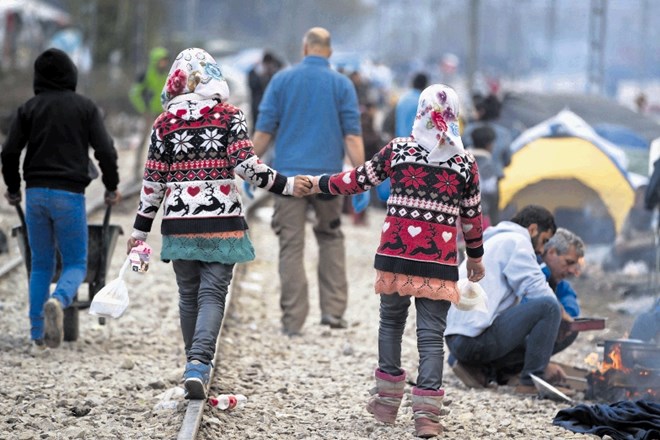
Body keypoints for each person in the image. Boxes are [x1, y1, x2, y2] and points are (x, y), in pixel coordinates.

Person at [126, 48, 310, 400]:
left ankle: (192, 363)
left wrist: (138, 231)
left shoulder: (165, 123)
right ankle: (198, 363)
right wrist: (286, 185)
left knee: (188, 294)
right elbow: (246, 166)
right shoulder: (229, 116)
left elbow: (153, 184)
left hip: (179, 223)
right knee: (212, 293)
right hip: (221, 219)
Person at [307, 83, 485, 438]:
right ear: (455, 116)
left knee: (391, 323)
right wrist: (476, 259)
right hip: (438, 262)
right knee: (432, 336)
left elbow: (357, 180)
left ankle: (387, 404)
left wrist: (317, 183)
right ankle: (427, 416)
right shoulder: (464, 162)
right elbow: (472, 217)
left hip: (396, 254)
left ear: (420, 112)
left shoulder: (398, 151)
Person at [1, 48, 120, 354]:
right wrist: (111, 185)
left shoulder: (28, 108)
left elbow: (10, 152)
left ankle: (37, 334)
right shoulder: (85, 108)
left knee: (40, 265)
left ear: (38, 78)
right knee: (77, 263)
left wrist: (13, 187)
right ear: (72, 75)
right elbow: (105, 150)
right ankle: (61, 299)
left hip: (36, 194)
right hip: (70, 195)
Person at [251, 27, 365, 335]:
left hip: (288, 179)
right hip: (329, 181)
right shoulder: (342, 85)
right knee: (330, 238)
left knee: (291, 246)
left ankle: (293, 322)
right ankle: (334, 313)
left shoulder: (282, 81)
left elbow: (264, 133)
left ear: (305, 48)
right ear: (328, 51)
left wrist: (248, 168)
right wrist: (362, 177)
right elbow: (352, 136)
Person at [445, 205, 576, 395]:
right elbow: (536, 289)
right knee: (550, 307)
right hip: (473, 342)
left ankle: (484, 370)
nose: (541, 250)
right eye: (543, 240)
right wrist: (564, 316)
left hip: (456, 341)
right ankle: (530, 381)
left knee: (548, 310)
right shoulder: (516, 241)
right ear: (532, 229)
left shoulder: (495, 240)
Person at [462, 93, 513, 224]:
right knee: (493, 218)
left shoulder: (469, 130)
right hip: (494, 182)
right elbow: (508, 160)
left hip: (469, 180)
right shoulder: (504, 133)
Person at [468, 125, 498, 228]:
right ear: (489, 145)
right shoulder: (487, 163)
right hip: (480, 213)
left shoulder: (464, 156)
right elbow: (490, 189)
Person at [128, 46, 169, 117]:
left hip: (165, 113)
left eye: (165, 60)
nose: (165, 63)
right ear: (155, 61)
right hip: (150, 115)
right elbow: (134, 94)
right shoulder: (145, 76)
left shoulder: (167, 76)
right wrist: (143, 109)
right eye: (162, 61)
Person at [247, 51, 282, 130]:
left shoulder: (275, 73)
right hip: (257, 103)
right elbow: (252, 85)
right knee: (257, 124)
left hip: (271, 105)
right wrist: (260, 75)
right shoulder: (253, 73)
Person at [395, 72, 428, 138]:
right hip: (415, 143)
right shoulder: (423, 101)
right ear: (425, 85)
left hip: (400, 141)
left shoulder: (403, 98)